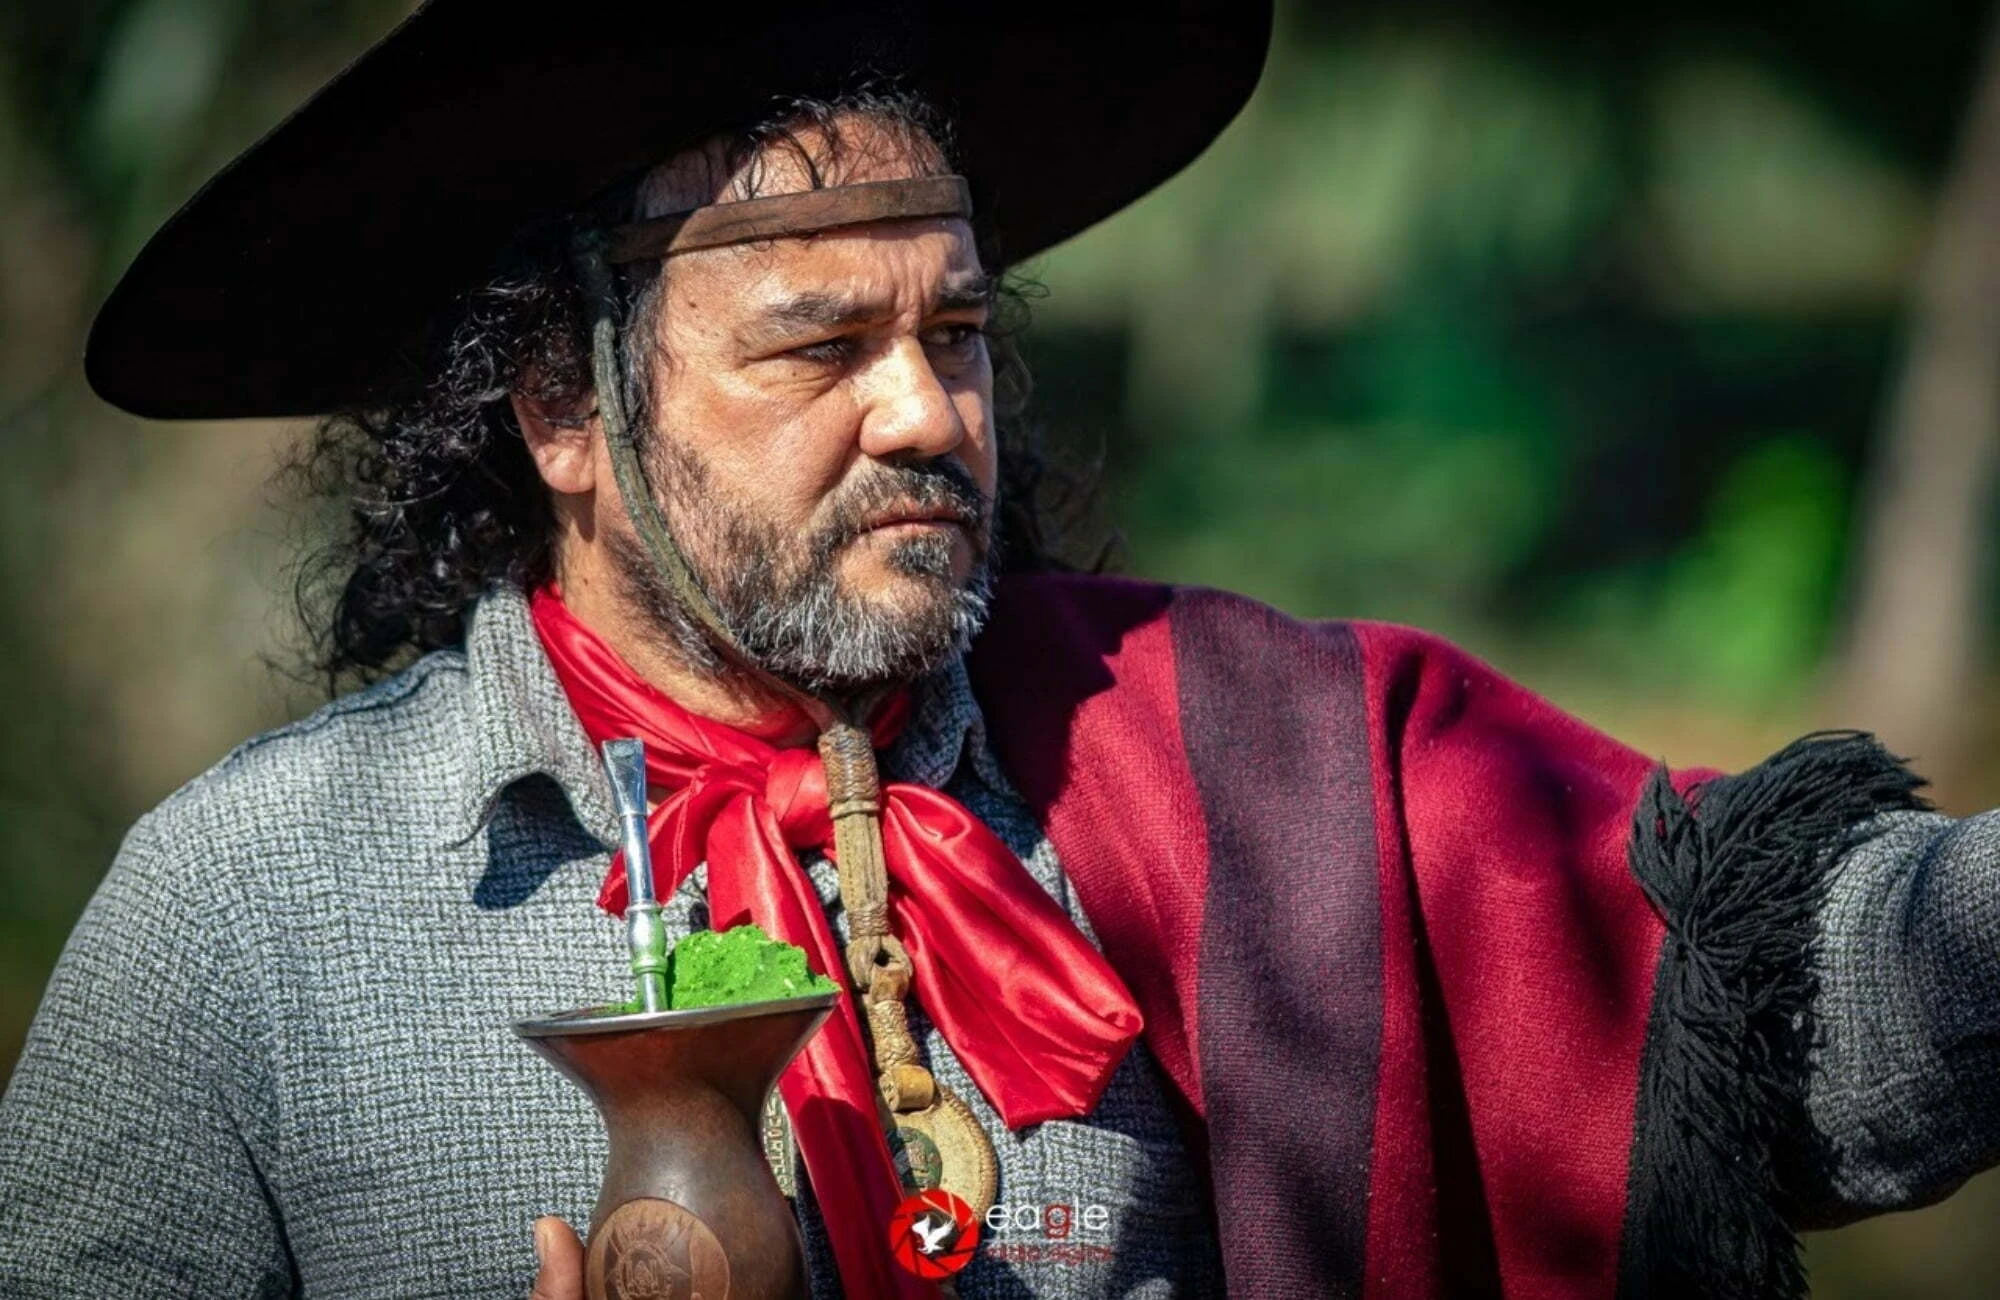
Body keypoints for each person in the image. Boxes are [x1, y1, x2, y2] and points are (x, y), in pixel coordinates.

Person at [3, 3, 1999, 1298]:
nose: (921, 413)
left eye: (951, 333)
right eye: (816, 346)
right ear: (559, 409)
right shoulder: (242, 912)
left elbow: (1804, 992)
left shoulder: (1213, 759)